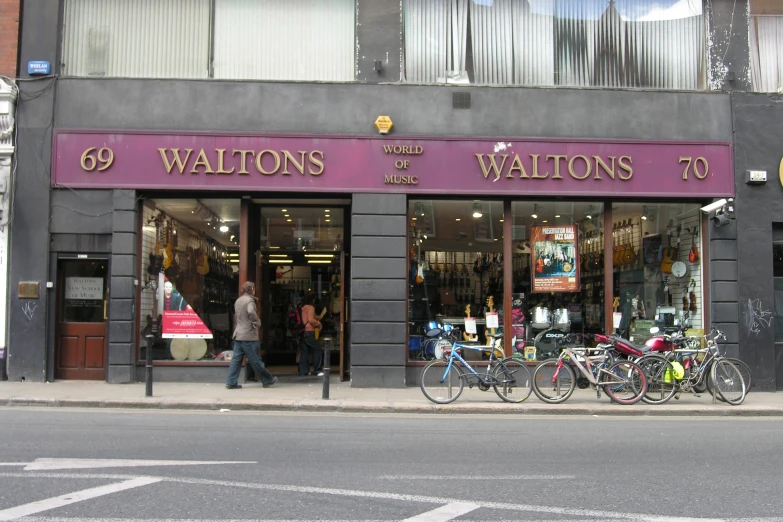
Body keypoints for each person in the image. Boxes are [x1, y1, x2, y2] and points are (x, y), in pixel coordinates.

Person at [225, 281, 278, 389]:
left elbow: (236, 317)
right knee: (255, 360)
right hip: (248, 335)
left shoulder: (238, 301)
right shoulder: (250, 301)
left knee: (236, 360)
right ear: (252, 289)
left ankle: (231, 382)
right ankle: (267, 379)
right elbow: (251, 312)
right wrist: (257, 322)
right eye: (254, 289)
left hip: (238, 334)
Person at [299, 292, 323, 376]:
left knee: (305, 352)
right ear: (312, 299)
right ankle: (317, 370)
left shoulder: (303, 307)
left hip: (303, 331)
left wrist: (315, 317)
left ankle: (304, 371)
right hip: (310, 331)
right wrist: (319, 324)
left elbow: (306, 318)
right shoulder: (311, 307)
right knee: (317, 350)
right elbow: (311, 320)